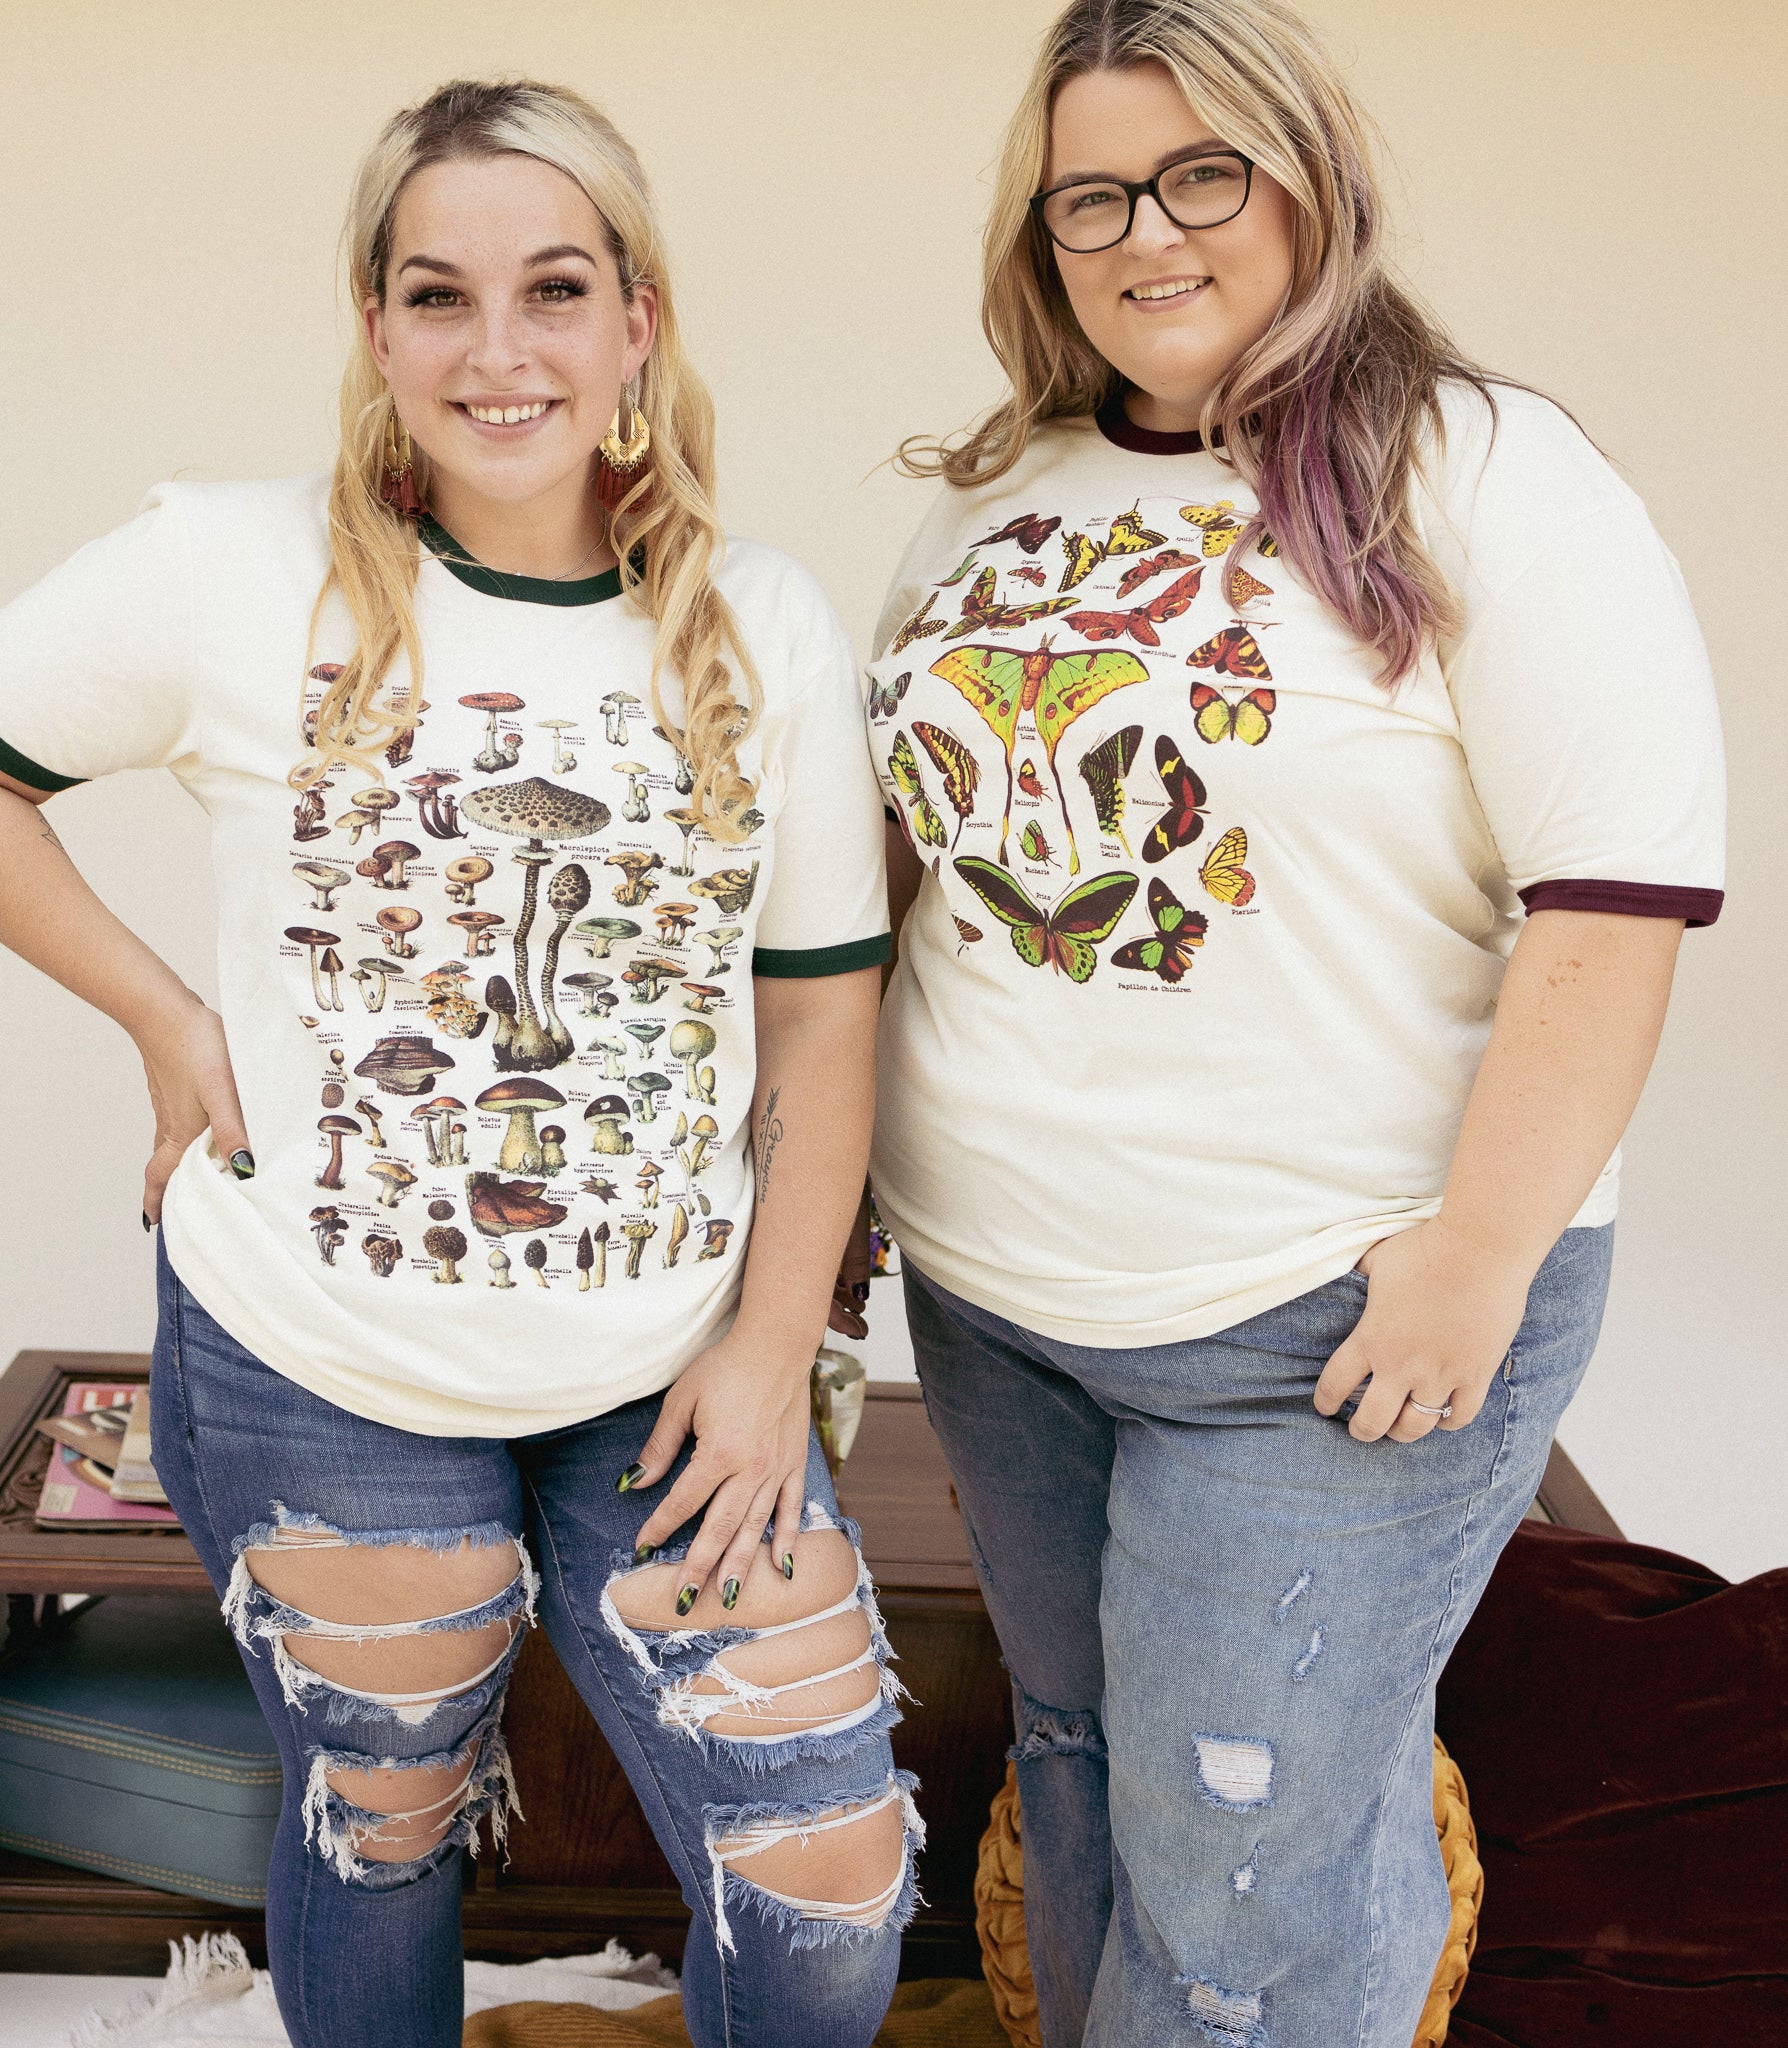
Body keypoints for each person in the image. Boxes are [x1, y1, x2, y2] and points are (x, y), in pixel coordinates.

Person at [0, 79, 914, 2048]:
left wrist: (769, 1349)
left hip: (672, 1364)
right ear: (375, 327)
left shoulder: (762, 629)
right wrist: (164, 1014)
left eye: (556, 288)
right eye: (439, 296)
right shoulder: (233, 571)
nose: (498, 351)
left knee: (826, 1877)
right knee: (385, 1812)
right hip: (321, 1361)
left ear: (640, 324)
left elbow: (826, 1006)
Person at [863, 3, 1723, 2044]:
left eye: (1200, 174)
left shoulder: (1491, 473)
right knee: (1074, 1776)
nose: (1147, 231)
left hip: (1319, 1327)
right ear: (1038, 234)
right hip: (999, 1301)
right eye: (1091, 195)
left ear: (1309, 176)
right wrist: (830, 1195)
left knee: (1243, 1881)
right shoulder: (1002, 499)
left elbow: (1614, 898)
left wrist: (1479, 1261)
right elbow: (916, 874)